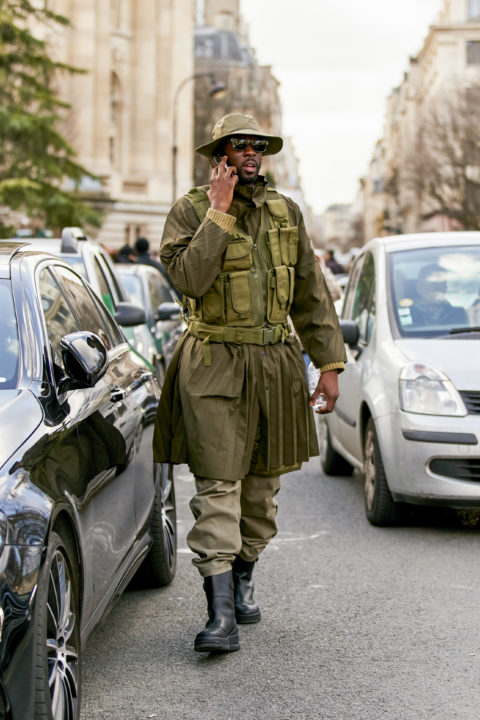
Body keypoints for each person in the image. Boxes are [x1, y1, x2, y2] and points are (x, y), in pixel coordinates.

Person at [153, 113, 346, 654]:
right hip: (213, 361)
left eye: (257, 145)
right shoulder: (190, 211)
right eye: (240, 145)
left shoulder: (287, 212)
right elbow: (189, 278)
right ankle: (220, 619)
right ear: (220, 154)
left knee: (261, 492)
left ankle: (243, 578)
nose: (252, 152)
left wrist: (328, 365)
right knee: (219, 486)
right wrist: (217, 212)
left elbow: (311, 295)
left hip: (276, 363)